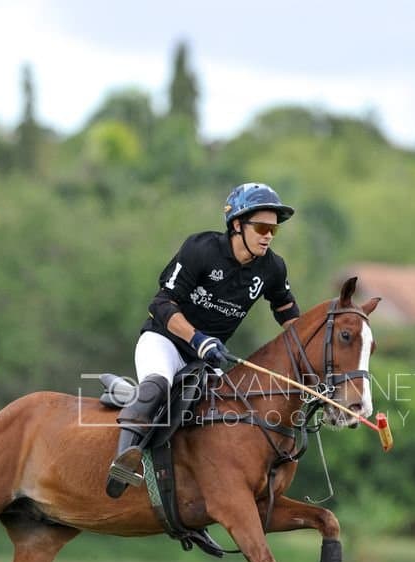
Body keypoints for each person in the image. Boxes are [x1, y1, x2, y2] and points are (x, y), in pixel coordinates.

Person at [106, 182, 302, 498]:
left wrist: (308, 350)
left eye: (273, 230)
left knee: (225, 418)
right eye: (262, 227)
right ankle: (123, 462)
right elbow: (161, 303)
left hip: (205, 360)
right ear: (237, 224)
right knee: (158, 386)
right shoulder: (201, 249)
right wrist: (198, 340)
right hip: (165, 342)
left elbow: (287, 310)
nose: (268, 235)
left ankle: (194, 505)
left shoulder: (272, 268)